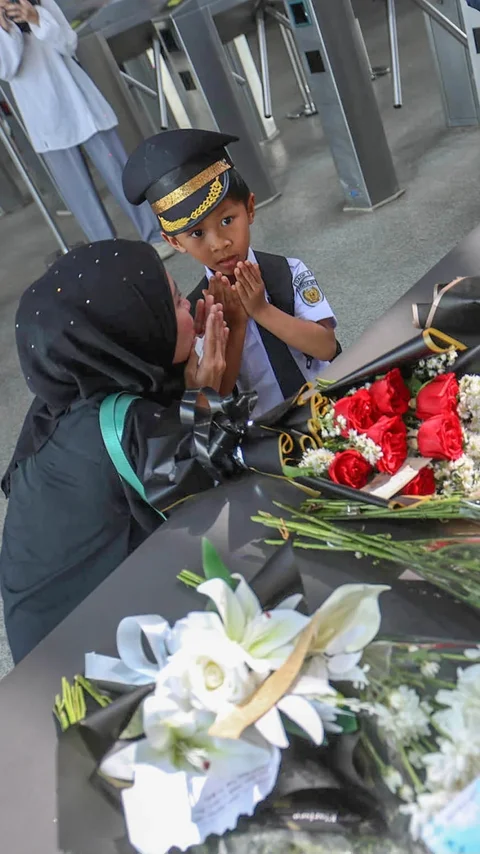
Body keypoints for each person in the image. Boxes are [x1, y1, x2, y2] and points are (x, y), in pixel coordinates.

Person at [0, 240, 231, 664]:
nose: (189, 308)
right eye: (177, 302)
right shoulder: (119, 424)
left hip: (46, 636)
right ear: (135, 330)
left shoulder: (71, 390)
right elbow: (206, 494)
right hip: (84, 656)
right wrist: (203, 397)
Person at [123, 129, 339, 418]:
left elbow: (326, 347)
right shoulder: (195, 312)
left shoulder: (288, 271)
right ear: (175, 242)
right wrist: (234, 328)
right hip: (263, 431)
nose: (219, 244)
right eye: (196, 233)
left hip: (329, 403)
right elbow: (216, 397)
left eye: (227, 220)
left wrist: (261, 310)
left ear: (250, 208)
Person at [0, 0, 173, 259]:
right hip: (45, 119)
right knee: (80, 197)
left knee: (120, 174)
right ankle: (107, 257)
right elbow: (6, 69)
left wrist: (36, 18)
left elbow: (69, 43)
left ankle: (154, 236)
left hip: (81, 105)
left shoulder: (41, 3)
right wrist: (8, 29)